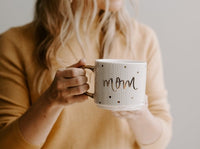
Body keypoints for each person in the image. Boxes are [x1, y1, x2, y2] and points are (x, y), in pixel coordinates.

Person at [0, 0, 172, 149]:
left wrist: (139, 115)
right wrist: (50, 102)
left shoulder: (143, 39)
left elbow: (159, 141)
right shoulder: (14, 43)